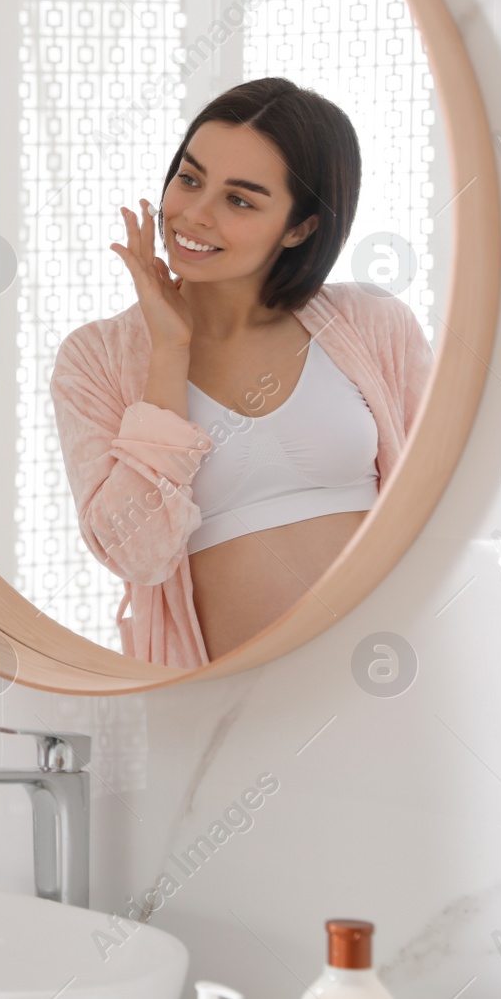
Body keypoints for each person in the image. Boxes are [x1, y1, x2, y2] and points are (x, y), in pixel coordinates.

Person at [50, 77, 432, 667]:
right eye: (190, 178)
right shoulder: (96, 357)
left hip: (396, 674)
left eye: (240, 200)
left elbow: (441, 500)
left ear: (301, 227)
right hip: (232, 715)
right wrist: (169, 351)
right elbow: (138, 554)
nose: (194, 215)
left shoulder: (374, 322)